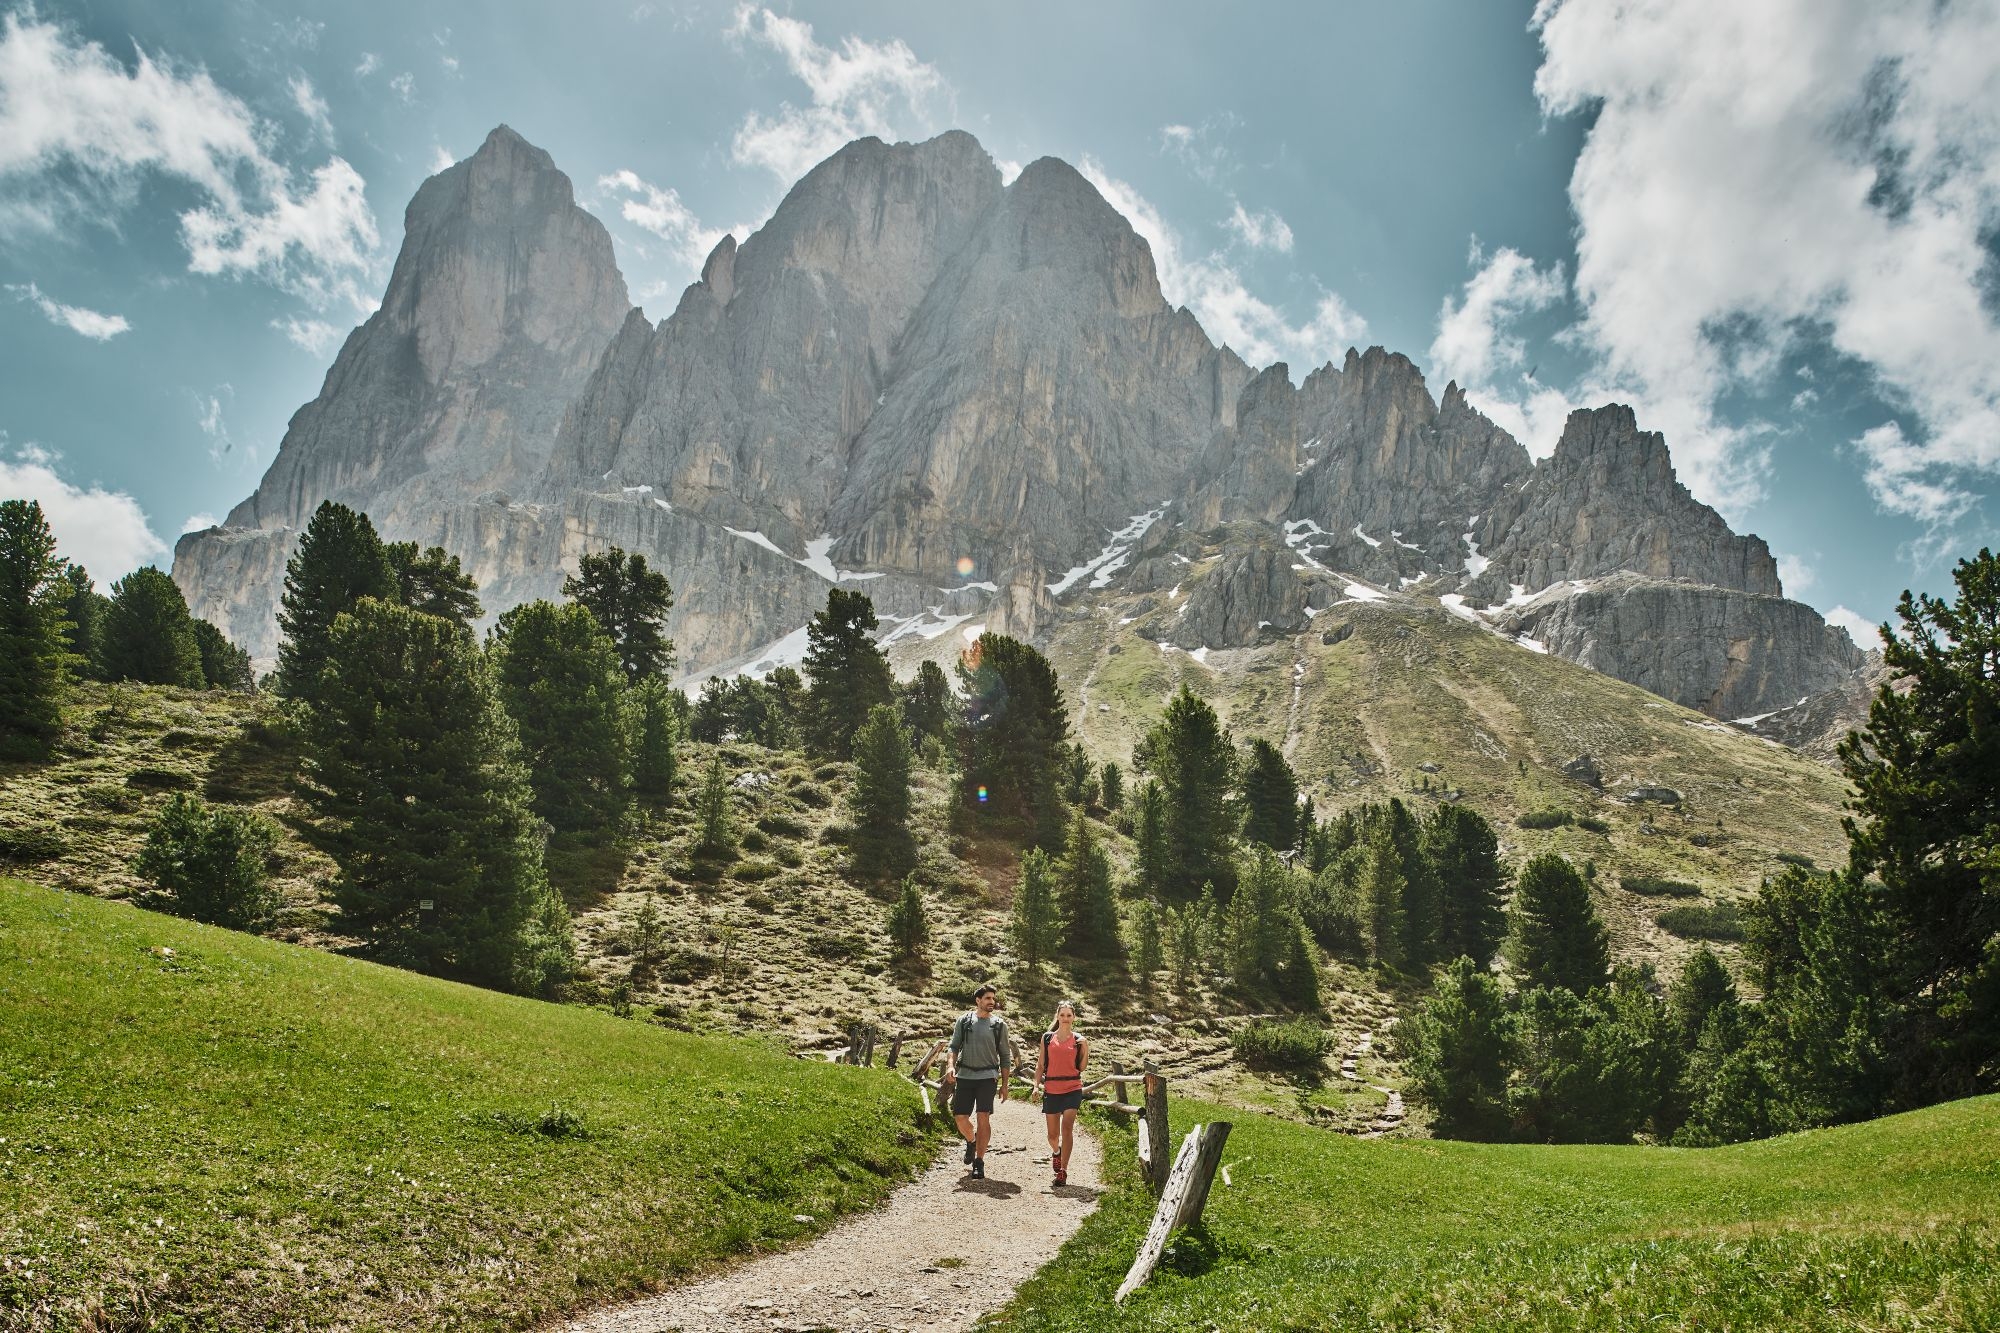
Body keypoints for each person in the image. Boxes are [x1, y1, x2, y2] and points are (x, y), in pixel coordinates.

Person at [945, 983, 1012, 1179]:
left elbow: (1005, 1056)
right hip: (965, 1076)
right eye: (988, 998)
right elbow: (953, 1046)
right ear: (978, 1001)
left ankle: (979, 1161)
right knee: (960, 1118)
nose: (992, 1002)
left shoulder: (999, 1025)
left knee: (984, 1117)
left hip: (987, 1077)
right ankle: (971, 1141)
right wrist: (950, 1066)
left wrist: (1005, 1085)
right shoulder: (964, 1021)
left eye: (993, 998)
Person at [1032, 999, 1088, 1187]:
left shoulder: (1079, 1040)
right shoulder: (1047, 1038)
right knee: (1052, 1136)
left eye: (1069, 1015)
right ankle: (1056, 1151)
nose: (1065, 1018)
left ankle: (1063, 1170)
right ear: (1057, 1016)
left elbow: (1082, 1067)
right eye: (1062, 1015)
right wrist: (1035, 1086)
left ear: (1074, 1018)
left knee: (1067, 1128)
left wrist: (1085, 1047)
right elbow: (1040, 1065)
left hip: (1072, 1088)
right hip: (1052, 1089)